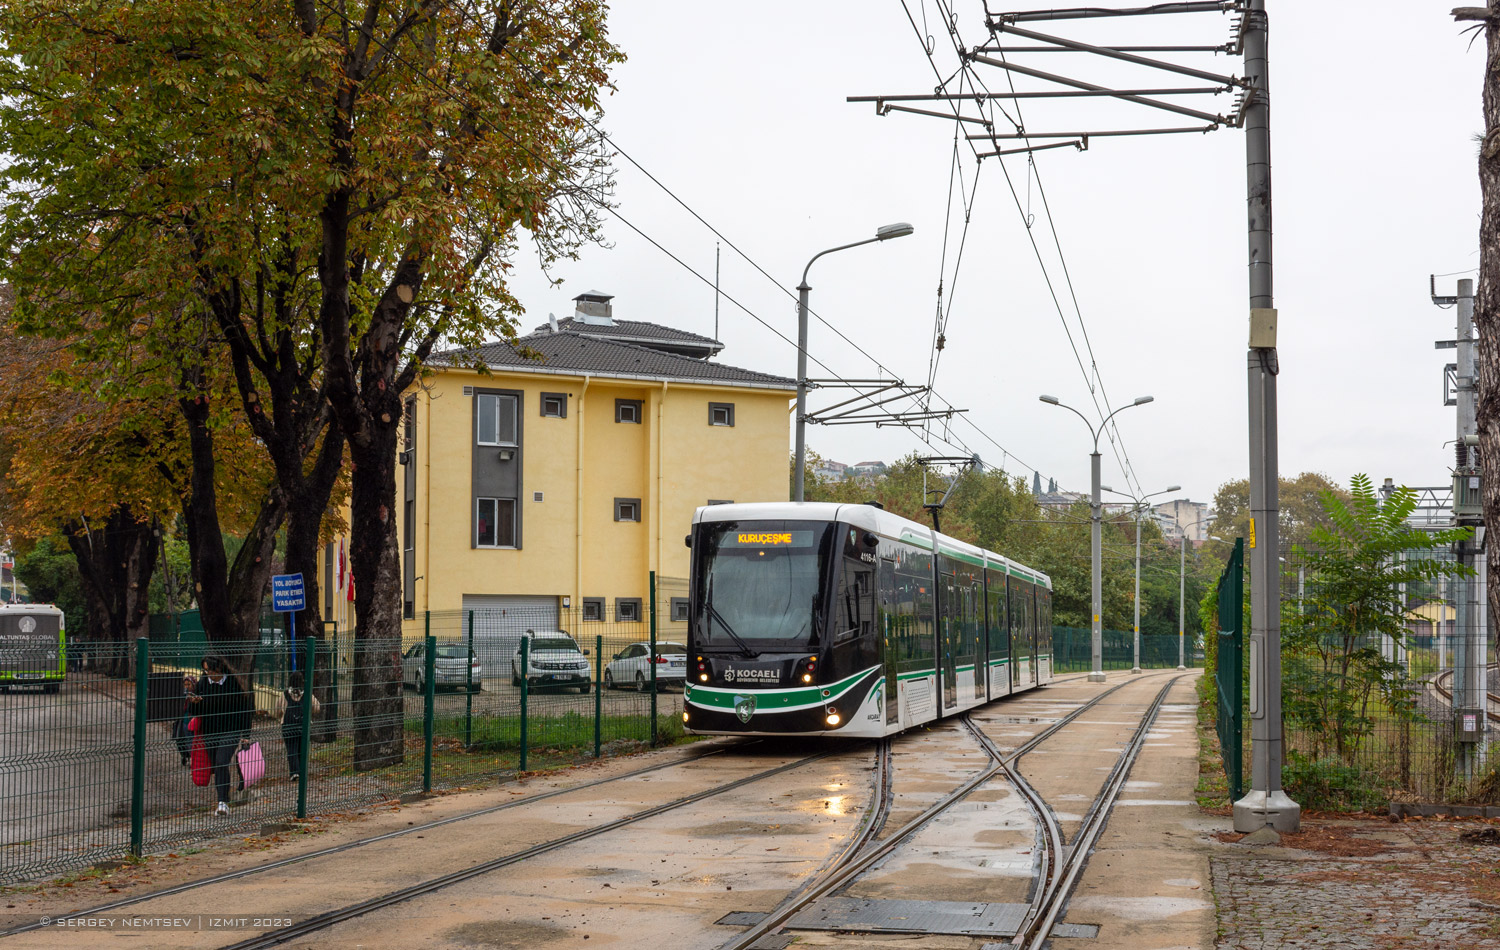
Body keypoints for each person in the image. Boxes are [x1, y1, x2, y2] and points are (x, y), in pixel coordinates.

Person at [187, 655, 252, 816]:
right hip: (210, 732)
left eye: (209, 669)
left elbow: (244, 709)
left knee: (222, 761)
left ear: (219, 669)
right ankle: (223, 797)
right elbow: (196, 713)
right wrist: (195, 704)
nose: (207, 673)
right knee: (217, 765)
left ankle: (222, 802)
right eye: (205, 670)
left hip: (231, 730)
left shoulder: (233, 683)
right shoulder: (203, 683)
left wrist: (246, 734)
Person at [274, 671, 320, 781]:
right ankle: (302, 771)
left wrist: (281, 716)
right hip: (303, 725)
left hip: (288, 726)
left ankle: (294, 772)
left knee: (291, 749)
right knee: (302, 748)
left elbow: (276, 710)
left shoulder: (284, 694)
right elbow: (317, 707)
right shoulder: (307, 694)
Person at [170, 672, 196, 766]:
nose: (186, 686)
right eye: (185, 685)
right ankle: (186, 756)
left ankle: (193, 759)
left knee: (191, 740)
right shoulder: (182, 695)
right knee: (181, 739)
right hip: (183, 721)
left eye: (188, 684)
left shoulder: (195, 695)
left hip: (191, 721)